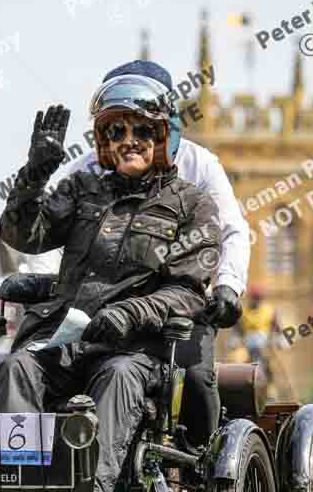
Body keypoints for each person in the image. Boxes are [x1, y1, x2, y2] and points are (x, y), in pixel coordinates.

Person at [0, 73, 221, 492]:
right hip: (66, 337)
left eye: (139, 131)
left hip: (137, 352)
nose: (127, 141)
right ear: (103, 143)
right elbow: (22, 233)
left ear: (161, 138)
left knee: (115, 378)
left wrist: (136, 312)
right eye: (116, 132)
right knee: (14, 367)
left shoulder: (191, 203)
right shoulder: (81, 188)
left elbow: (191, 290)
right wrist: (35, 172)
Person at [27, 60, 250, 446]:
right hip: (92, 309)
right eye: (117, 124)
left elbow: (232, 230)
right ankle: (26, 468)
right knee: (27, 365)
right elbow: (41, 238)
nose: (128, 137)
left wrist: (229, 286)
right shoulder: (86, 172)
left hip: (176, 304)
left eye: (142, 123)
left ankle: (202, 463)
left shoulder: (200, 166)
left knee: (194, 375)